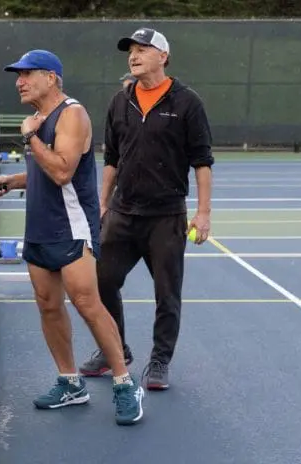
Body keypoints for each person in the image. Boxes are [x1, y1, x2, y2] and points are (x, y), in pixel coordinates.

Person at [0, 50, 144, 425]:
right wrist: (12, 180)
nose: (19, 81)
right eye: (17, 75)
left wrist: (29, 138)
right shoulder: (39, 120)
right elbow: (42, 173)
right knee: (48, 305)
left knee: (87, 303)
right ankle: (70, 382)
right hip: (39, 228)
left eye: (27, 75)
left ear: (52, 78)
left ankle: (124, 383)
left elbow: (61, 172)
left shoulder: (72, 114)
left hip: (71, 227)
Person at [79, 28, 213, 391]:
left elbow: (202, 161)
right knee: (101, 281)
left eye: (142, 50)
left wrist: (203, 213)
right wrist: (103, 204)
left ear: (163, 57)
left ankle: (159, 361)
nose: (134, 56)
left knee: (166, 293)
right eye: (131, 51)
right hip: (123, 214)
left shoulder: (187, 103)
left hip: (166, 217)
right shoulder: (120, 102)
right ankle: (114, 350)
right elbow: (112, 159)